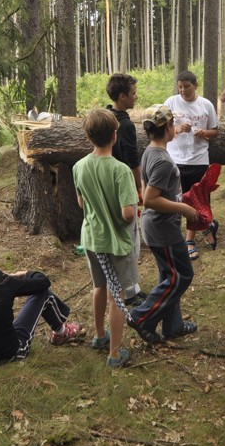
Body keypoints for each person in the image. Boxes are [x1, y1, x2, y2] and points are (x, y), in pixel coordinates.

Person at [0, 235, 82, 367]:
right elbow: (43, 283)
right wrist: (27, 273)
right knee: (44, 294)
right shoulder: (4, 282)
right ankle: (61, 333)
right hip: (10, 354)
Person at [126, 104, 199, 345]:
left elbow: (148, 188)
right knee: (181, 275)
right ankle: (141, 316)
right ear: (167, 127)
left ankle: (173, 326)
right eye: (172, 123)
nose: (174, 127)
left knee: (169, 275)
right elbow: (149, 199)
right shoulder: (162, 161)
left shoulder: (149, 152)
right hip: (162, 228)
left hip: (157, 225)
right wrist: (184, 208)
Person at [73, 108, 140, 368]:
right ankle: (114, 353)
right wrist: (130, 210)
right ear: (115, 135)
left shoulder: (79, 166)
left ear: (88, 137)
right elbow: (127, 214)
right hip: (115, 242)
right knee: (117, 295)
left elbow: (82, 203)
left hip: (91, 238)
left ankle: (100, 335)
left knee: (99, 286)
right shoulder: (121, 171)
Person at [163, 70, 220, 260]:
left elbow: (215, 131)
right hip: (175, 158)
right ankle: (205, 227)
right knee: (177, 200)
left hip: (199, 159)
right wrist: (178, 129)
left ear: (195, 86)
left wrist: (204, 133)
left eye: (186, 87)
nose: (182, 90)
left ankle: (189, 240)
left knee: (197, 200)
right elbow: (162, 127)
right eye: (180, 87)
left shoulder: (206, 105)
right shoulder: (170, 103)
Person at [106, 73, 146, 306]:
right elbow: (133, 161)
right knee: (130, 239)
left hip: (107, 184)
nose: (135, 97)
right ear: (122, 96)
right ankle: (130, 291)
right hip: (124, 186)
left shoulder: (105, 116)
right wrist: (139, 187)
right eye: (133, 93)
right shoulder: (126, 125)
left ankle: (126, 285)